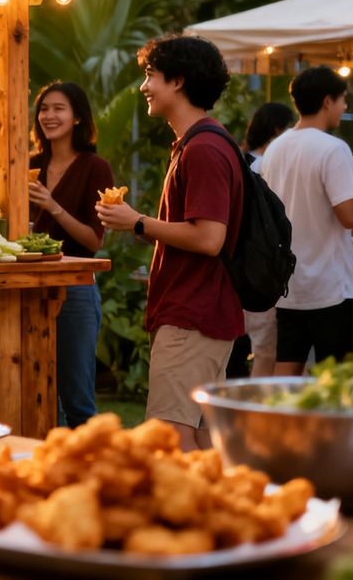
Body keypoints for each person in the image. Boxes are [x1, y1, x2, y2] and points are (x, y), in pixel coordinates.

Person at [96, 35, 243, 452]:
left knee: (169, 440)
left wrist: (136, 222)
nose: (144, 87)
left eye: (150, 76)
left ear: (177, 81)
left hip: (193, 314)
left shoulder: (204, 148)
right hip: (202, 312)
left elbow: (209, 238)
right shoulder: (199, 142)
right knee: (201, 436)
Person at [258, 66, 353, 376]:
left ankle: (279, 426)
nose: (345, 108)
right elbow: (349, 216)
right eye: (343, 100)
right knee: (339, 383)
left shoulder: (276, 149)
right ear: (327, 101)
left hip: (290, 285)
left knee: (286, 375)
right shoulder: (333, 148)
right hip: (331, 287)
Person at [27, 82, 114, 428]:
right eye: (44, 108)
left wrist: (52, 206)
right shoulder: (30, 164)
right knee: (36, 392)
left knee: (76, 397)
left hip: (75, 288)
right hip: (29, 285)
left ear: (78, 117)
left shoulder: (95, 167)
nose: (49, 115)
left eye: (59, 108)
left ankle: (90, 466)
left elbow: (93, 241)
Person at [231, 101, 296, 378]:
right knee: (266, 349)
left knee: (248, 345)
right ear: (278, 129)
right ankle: (258, 414)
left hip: (239, 265)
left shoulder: (243, 160)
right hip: (260, 265)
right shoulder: (263, 165)